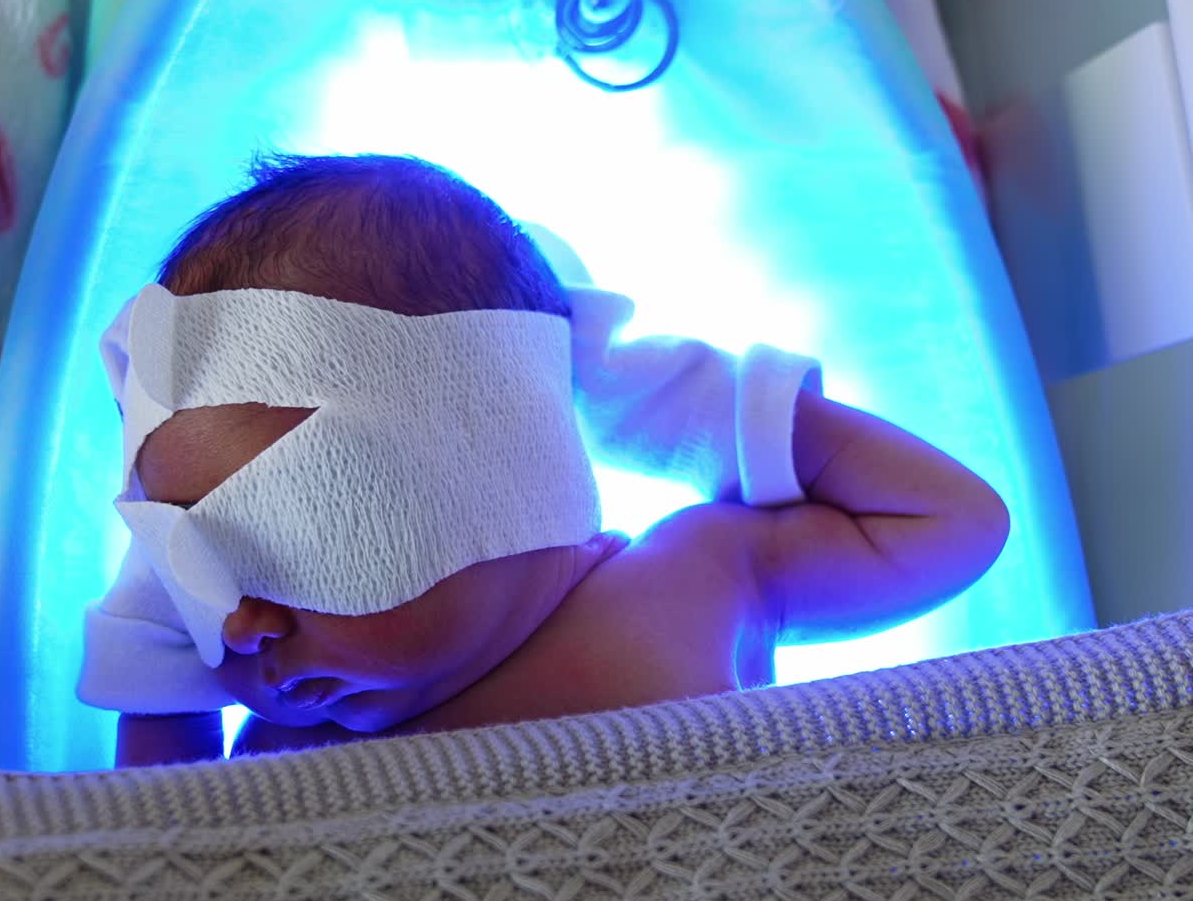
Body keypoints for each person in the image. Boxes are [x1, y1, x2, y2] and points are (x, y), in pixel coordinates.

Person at [80, 153, 1009, 767]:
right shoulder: (284, 733)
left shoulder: (698, 575)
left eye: (294, 536)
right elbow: (158, 856)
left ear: (511, 449)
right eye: (186, 565)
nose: (239, 624)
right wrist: (165, 622)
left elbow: (954, 526)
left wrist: (656, 402)